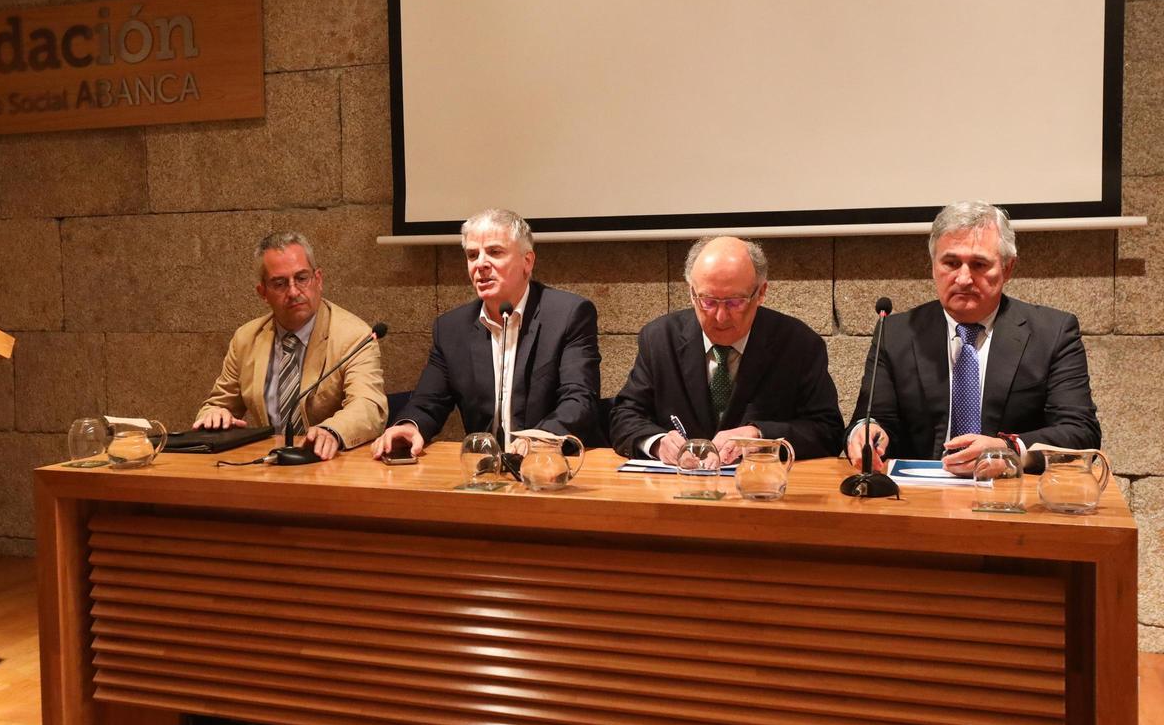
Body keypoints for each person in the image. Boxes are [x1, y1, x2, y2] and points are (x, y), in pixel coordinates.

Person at [845, 200, 1101, 475]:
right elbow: (873, 418)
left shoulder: (1052, 333)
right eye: (951, 263)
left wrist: (1010, 450)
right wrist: (866, 433)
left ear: (1008, 268)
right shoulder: (896, 333)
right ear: (933, 265)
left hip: (1009, 496)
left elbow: (1080, 432)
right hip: (917, 497)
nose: (964, 278)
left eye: (979, 264)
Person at [372, 209, 601, 458]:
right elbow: (429, 401)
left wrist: (538, 440)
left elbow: (579, 400)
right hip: (484, 474)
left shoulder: (568, 315)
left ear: (528, 261)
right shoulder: (451, 328)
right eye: (472, 255)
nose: (480, 264)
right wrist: (409, 425)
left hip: (550, 466)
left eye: (495, 252)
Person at [609, 236, 843, 465]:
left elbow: (828, 430)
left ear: (761, 293)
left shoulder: (798, 344)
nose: (720, 317)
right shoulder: (660, 339)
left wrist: (759, 436)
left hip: (758, 490)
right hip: (676, 489)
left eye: (735, 302)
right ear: (692, 293)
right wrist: (658, 443)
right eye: (708, 301)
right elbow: (624, 415)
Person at [194, 230, 387, 460]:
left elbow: (368, 405)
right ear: (262, 292)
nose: (294, 291)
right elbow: (218, 403)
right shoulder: (246, 338)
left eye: (302, 278)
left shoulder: (354, 336)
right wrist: (214, 414)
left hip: (329, 463)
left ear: (318, 279)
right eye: (280, 283)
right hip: (267, 466)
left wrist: (332, 431)